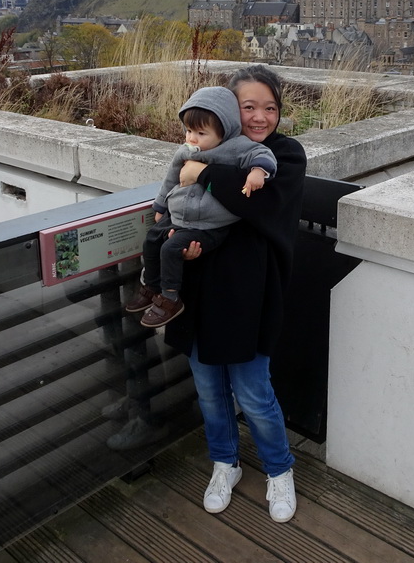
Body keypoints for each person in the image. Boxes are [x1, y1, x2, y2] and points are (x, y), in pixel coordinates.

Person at [164, 65, 306, 524]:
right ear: (228, 110)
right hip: (201, 285)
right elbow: (176, 201)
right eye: (249, 107)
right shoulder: (203, 142)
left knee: (253, 391)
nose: (261, 117)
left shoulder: (284, 155)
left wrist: (201, 172)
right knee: (209, 389)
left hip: (252, 293)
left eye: (270, 107)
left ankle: (280, 469)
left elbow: (258, 204)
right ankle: (224, 463)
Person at [123, 86, 277, 329]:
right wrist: (161, 204)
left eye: (200, 133)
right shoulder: (185, 150)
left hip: (209, 223)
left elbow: (262, 154)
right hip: (180, 213)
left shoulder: (236, 147)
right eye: (188, 131)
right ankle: (151, 285)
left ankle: (170, 297)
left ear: (223, 131)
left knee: (171, 249)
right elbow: (171, 178)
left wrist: (258, 172)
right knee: (152, 240)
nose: (191, 138)